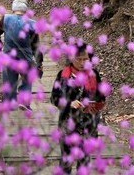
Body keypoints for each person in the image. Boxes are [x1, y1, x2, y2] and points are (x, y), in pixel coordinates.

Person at [51, 43, 106, 174]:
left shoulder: (94, 75)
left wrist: (96, 104)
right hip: (67, 124)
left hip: (89, 124)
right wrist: (69, 103)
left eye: (85, 59)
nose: (82, 62)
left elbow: (101, 97)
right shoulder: (63, 76)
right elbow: (54, 98)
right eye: (78, 59)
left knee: (85, 161)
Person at [0, 0, 43, 110]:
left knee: (9, 80)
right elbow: (36, 46)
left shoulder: (6, 19)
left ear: (13, 9)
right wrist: (39, 62)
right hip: (26, 58)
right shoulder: (32, 24)